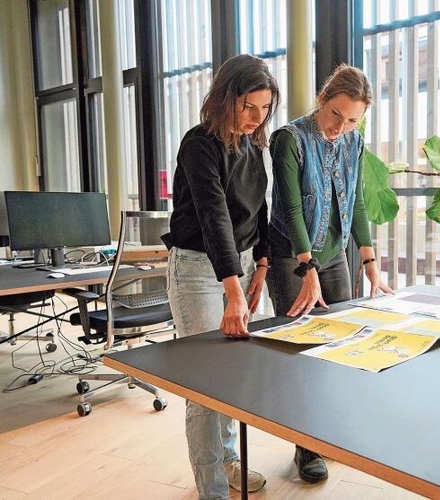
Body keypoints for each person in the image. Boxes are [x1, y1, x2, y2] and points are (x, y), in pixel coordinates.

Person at [267, 63, 392, 483]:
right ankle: (306, 447)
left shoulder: (354, 142)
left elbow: (354, 202)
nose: (342, 126)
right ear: (323, 100)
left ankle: (326, 433)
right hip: (291, 256)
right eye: (336, 114)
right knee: (303, 351)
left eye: (353, 119)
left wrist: (370, 261)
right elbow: (291, 208)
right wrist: (306, 265)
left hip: (336, 253)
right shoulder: (290, 139)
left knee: (341, 345)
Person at [163, 54, 279, 499]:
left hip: (244, 265)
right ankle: (210, 489)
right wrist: (233, 291)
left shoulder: (253, 147)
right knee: (204, 384)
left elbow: (259, 211)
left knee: (233, 377)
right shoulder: (200, 144)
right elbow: (214, 219)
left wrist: (261, 267)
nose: (257, 117)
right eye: (249, 107)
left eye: (265, 108)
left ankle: (229, 460)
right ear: (225, 98)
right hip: (198, 269)